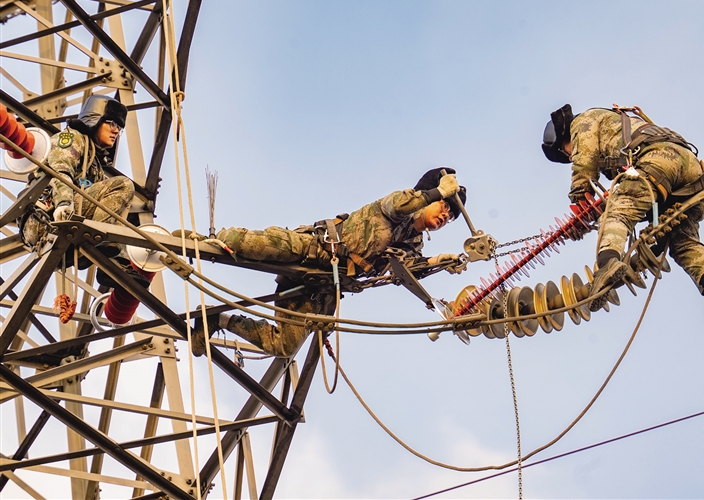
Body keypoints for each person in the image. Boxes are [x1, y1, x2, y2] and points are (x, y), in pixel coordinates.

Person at [191, 167, 468, 357]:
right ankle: (198, 240)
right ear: (428, 195)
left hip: (323, 283)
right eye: (445, 207)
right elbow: (399, 206)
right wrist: (439, 192)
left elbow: (405, 272)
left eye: (451, 216)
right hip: (314, 249)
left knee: (285, 345)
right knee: (240, 245)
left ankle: (219, 319)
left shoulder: (413, 244)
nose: (446, 216)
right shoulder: (400, 204)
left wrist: (440, 261)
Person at [542, 104, 704, 330]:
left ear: (562, 138)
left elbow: (585, 163)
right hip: (692, 174)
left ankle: (607, 264)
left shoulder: (582, 122)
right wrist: (588, 216)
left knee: (619, 210)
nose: (570, 156)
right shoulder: (615, 126)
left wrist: (578, 202)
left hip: (659, 160)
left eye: (566, 152)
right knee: (684, 241)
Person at [19, 95, 146, 287]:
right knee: (123, 185)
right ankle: (101, 242)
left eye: (119, 128)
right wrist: (63, 203)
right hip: (45, 220)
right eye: (112, 123)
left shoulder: (94, 162)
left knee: (120, 209)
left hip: (59, 225)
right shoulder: (71, 137)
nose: (115, 131)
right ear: (94, 119)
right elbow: (59, 169)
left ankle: (114, 261)